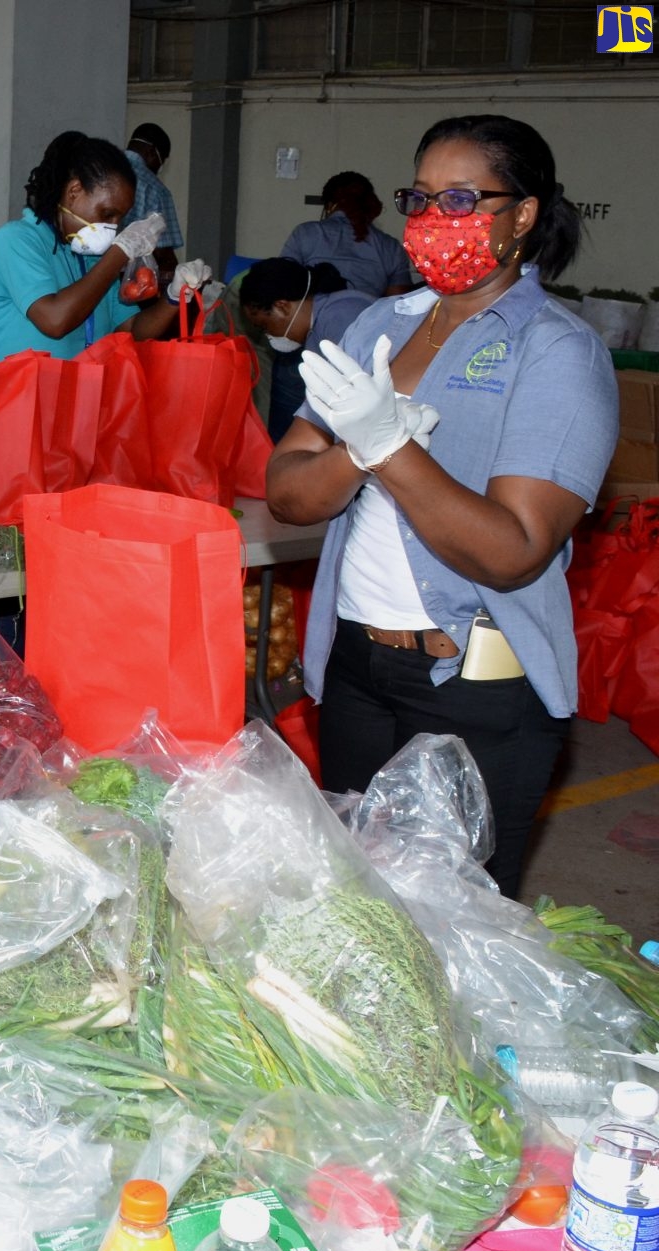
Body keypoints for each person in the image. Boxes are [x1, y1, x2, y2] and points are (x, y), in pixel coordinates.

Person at [265, 115, 609, 895]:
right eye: (419, 199)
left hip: (474, 685)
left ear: (521, 213)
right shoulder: (382, 325)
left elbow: (512, 548)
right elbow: (288, 489)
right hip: (354, 665)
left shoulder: (555, 351)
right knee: (365, 904)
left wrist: (387, 448)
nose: (431, 221)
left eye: (460, 199)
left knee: (458, 923)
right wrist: (357, 450)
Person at [0, 132, 215, 443]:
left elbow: (131, 330)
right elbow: (55, 320)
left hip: (51, 428)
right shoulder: (16, 241)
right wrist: (120, 253)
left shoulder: (93, 260)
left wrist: (174, 296)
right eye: (106, 214)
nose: (113, 228)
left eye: (120, 219)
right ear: (73, 192)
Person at [240, 258, 375, 442]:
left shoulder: (341, 316)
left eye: (265, 326)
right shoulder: (316, 329)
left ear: (282, 306)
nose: (268, 334)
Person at [283, 172, 416, 299]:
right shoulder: (390, 247)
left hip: (313, 321)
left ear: (330, 206)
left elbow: (281, 285)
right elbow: (398, 304)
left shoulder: (306, 233)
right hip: (368, 321)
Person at [121, 123, 183, 286]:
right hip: (132, 281)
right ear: (151, 153)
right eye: (161, 161)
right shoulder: (154, 188)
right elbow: (163, 253)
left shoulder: (103, 171)